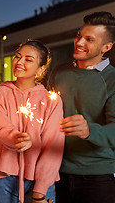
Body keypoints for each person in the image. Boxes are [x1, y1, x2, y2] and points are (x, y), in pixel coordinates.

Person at [0, 40, 64, 203]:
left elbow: (53, 144)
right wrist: (18, 139)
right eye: (17, 56)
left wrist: (40, 190)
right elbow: (0, 127)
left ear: (41, 69)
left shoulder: (52, 100)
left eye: (28, 59)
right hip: (2, 178)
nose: (19, 62)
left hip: (40, 179)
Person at [48, 11, 115, 203]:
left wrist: (88, 131)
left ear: (106, 47)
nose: (79, 42)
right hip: (56, 173)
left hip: (97, 178)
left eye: (89, 39)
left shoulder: (112, 80)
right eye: (79, 35)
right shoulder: (59, 72)